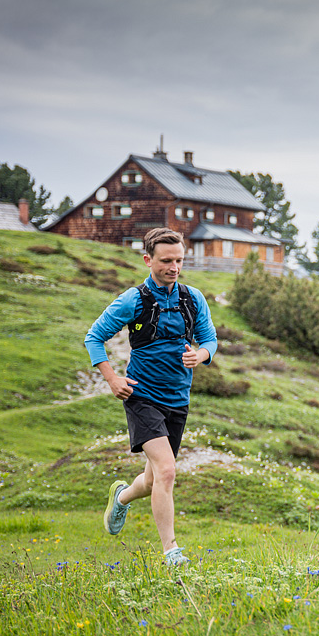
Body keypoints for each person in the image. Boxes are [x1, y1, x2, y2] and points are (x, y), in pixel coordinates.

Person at [85, 227, 218, 566]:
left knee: (152, 479)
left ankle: (121, 497)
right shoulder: (133, 299)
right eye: (166, 261)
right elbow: (94, 337)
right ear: (148, 260)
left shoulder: (193, 298)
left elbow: (210, 340)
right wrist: (112, 378)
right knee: (167, 471)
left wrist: (201, 355)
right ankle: (171, 551)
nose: (174, 268)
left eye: (179, 261)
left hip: (178, 399)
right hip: (141, 396)